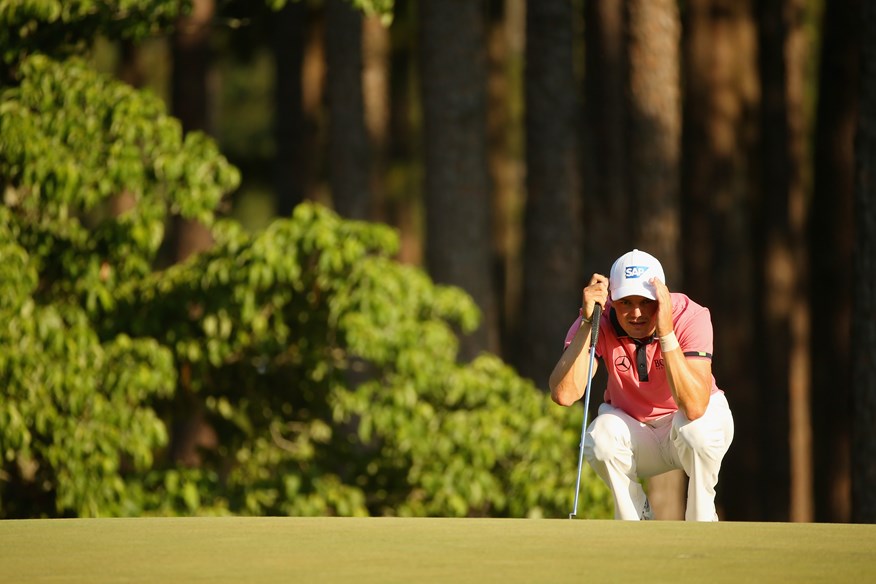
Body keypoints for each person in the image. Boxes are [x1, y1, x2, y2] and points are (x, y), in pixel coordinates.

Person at [548, 249, 734, 521]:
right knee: (600, 439)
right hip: (637, 434)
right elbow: (565, 394)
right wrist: (589, 323)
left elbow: (694, 407)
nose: (636, 313)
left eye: (646, 302)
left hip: (688, 425)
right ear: (612, 299)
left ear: (662, 296)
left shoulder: (690, 315)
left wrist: (667, 332)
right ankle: (635, 519)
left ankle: (701, 522)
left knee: (697, 432)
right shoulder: (598, 318)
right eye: (625, 302)